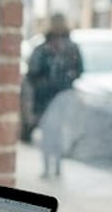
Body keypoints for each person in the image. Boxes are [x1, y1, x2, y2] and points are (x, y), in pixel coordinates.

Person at [26, 13, 83, 178]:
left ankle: (52, 168)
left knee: (51, 133)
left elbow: (32, 74)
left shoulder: (64, 48)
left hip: (55, 97)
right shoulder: (48, 48)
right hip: (52, 97)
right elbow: (33, 73)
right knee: (53, 133)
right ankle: (53, 168)